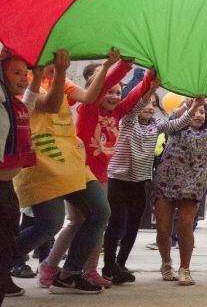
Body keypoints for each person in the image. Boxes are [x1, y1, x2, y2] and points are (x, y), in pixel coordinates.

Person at [44, 58, 154, 289]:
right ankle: (51, 267)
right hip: (78, 173)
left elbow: (133, 97)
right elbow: (102, 87)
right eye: (109, 92)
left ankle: (89, 270)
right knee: (76, 221)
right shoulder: (89, 107)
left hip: (100, 176)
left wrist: (149, 78)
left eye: (118, 92)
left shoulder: (117, 113)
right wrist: (122, 64)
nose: (114, 96)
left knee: (96, 221)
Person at [15, 50, 113, 294]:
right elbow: (48, 105)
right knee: (49, 223)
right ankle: (6, 259)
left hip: (70, 159)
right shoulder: (24, 81)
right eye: (50, 60)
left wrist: (107, 67)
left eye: (56, 60)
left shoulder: (62, 80)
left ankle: (68, 275)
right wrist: (58, 73)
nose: (55, 63)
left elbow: (89, 97)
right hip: (41, 161)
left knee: (100, 211)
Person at [102, 80, 191, 284]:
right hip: (118, 178)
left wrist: (191, 105)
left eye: (154, 103)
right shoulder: (128, 120)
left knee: (133, 224)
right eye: (146, 103)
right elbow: (137, 105)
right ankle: (108, 267)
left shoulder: (156, 126)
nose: (150, 107)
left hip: (140, 182)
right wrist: (149, 88)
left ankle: (120, 263)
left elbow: (176, 124)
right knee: (117, 223)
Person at [153, 94, 207, 286]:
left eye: (203, 112)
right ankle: (166, 263)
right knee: (163, 229)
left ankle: (185, 268)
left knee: (185, 225)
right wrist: (191, 104)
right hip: (166, 181)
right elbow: (173, 119)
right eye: (195, 111)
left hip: (193, 183)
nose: (199, 115)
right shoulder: (175, 128)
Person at [0, 55, 40, 300]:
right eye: (16, 73)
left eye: (25, 73)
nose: (23, 78)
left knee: (6, 248)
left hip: (7, 188)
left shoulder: (17, 107)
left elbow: (31, 98)